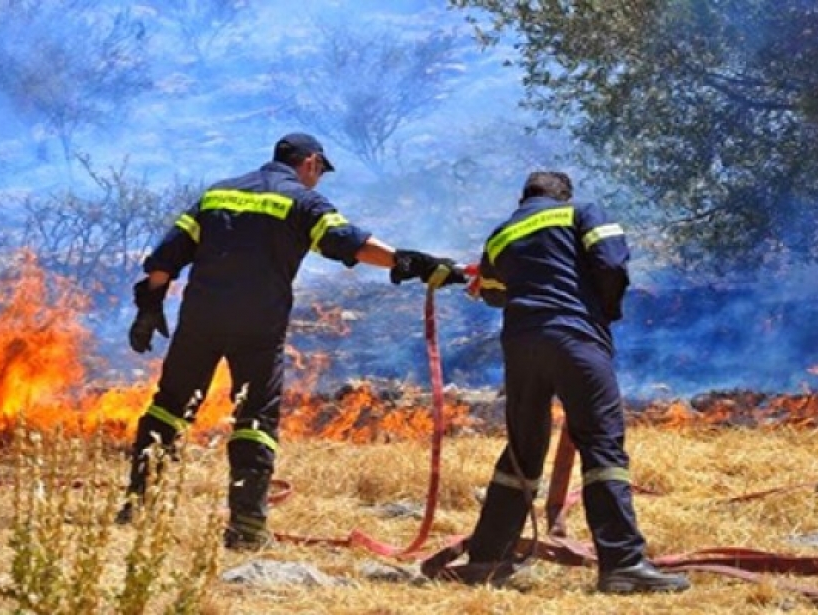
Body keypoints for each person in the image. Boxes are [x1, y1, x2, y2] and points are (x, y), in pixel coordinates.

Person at [116, 132, 466, 549]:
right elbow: (350, 243)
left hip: (201, 319)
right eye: (320, 172)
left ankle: (138, 505)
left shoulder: (218, 194)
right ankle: (246, 526)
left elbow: (167, 256)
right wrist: (412, 262)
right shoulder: (302, 200)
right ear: (312, 162)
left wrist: (149, 306)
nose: (318, 179)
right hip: (258, 325)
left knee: (170, 408)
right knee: (255, 420)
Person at [467, 171, 690, 593]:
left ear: (524, 197)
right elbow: (610, 263)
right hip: (575, 338)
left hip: (521, 345)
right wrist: (602, 313)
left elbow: (493, 291)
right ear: (563, 195)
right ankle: (622, 563)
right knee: (602, 445)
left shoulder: (502, 232)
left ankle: (487, 559)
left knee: (522, 451)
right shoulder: (582, 212)